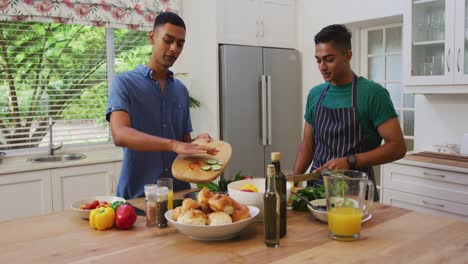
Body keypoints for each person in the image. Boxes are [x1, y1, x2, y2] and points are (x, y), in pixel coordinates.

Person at [106, 12, 217, 199]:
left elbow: (183, 142)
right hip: (139, 197)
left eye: (180, 43)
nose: (174, 48)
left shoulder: (181, 90)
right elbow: (120, 134)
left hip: (180, 195)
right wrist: (173, 144)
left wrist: (197, 144)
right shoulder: (124, 83)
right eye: (168, 40)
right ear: (152, 37)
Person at [293, 24, 406, 201]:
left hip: (356, 192)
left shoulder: (372, 94)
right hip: (317, 191)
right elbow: (307, 145)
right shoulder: (316, 94)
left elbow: (397, 147)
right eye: (318, 60)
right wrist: (294, 180)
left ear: (348, 56)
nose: (322, 67)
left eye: (329, 59)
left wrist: (350, 161)